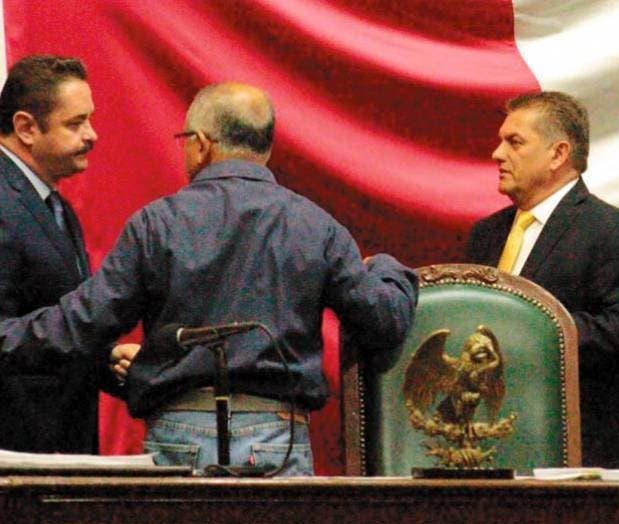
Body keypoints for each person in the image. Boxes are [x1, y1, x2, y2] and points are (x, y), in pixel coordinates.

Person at [0, 82, 419, 475]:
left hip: (178, 434)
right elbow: (384, 321)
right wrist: (386, 268)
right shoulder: (316, 226)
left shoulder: (156, 224)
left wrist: (8, 338)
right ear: (265, 147)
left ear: (200, 145)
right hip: (278, 436)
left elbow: (83, 322)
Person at [466, 91, 619, 468]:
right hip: (489, 450)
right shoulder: (485, 235)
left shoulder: (612, 230)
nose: (497, 153)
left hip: (575, 457)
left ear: (558, 154)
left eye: (514, 142)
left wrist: (527, 330)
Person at [0, 54, 123, 453]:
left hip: (53, 451)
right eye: (75, 123)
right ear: (26, 127)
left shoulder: (54, 206)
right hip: (17, 456)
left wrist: (104, 357)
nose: (92, 135)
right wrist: (82, 323)